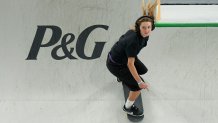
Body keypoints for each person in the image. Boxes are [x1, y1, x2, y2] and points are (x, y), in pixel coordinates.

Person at [106, 0, 158, 116]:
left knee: (143, 70)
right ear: (139, 28)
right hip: (116, 65)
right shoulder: (133, 41)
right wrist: (139, 82)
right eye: (144, 28)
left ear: (152, 27)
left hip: (120, 58)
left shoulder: (139, 33)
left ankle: (124, 77)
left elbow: (122, 39)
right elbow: (130, 64)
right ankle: (127, 107)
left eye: (149, 27)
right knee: (137, 88)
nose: (146, 30)